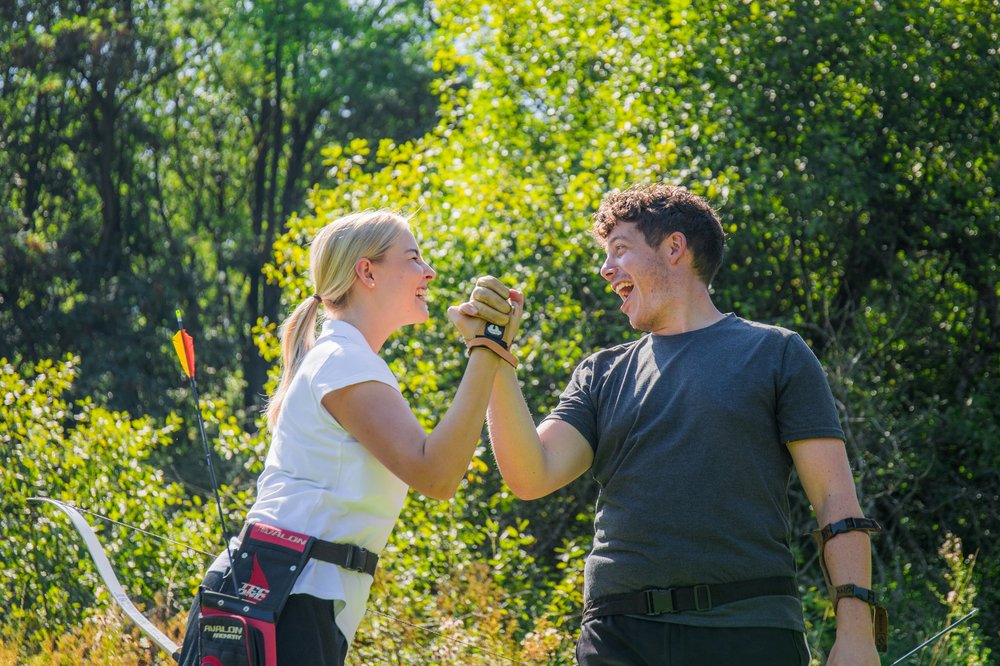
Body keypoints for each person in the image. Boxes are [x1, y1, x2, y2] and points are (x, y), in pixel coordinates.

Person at [462, 184, 880, 665]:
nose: (605, 269)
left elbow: (836, 502)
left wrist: (856, 636)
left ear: (674, 248)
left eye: (619, 249)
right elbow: (531, 474)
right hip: (618, 638)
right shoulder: (600, 373)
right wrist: (492, 352)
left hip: (748, 629)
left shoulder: (777, 353)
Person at [177, 209, 523, 666]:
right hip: (285, 598)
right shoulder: (341, 360)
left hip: (286, 595)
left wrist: (487, 347)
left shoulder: (343, 358)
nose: (429, 271)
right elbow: (437, 476)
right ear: (367, 272)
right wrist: (487, 347)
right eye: (414, 257)